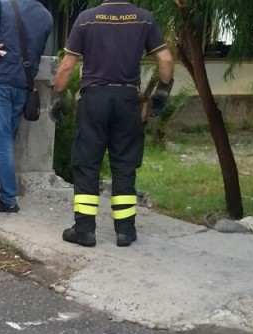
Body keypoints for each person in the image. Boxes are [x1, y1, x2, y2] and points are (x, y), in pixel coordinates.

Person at [51, 2, 173, 247]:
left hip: (94, 100)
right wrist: (162, 91)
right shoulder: (144, 18)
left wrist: (57, 97)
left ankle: (84, 230)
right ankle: (125, 230)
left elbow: (67, 64)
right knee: (124, 163)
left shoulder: (86, 19)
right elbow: (166, 60)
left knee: (87, 163)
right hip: (128, 100)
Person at [0, 0, 52, 213]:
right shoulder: (47, 17)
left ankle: (8, 198)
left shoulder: (3, 6)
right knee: (4, 139)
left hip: (1, 81)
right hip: (23, 84)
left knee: (2, 141)